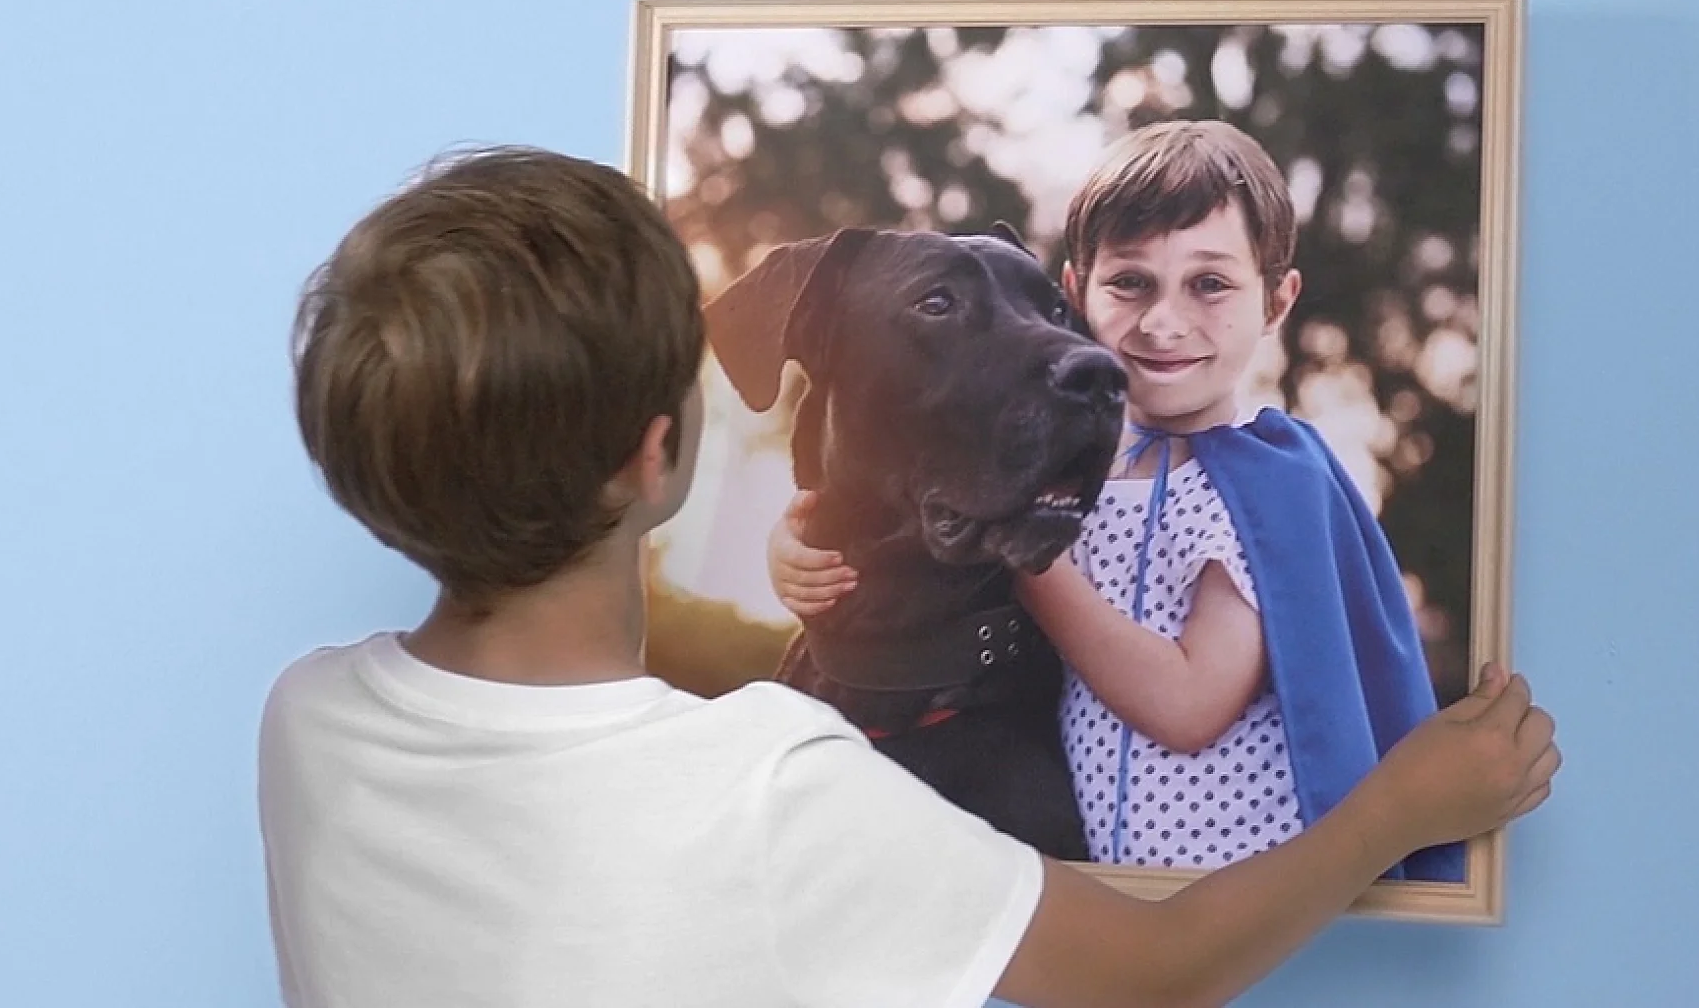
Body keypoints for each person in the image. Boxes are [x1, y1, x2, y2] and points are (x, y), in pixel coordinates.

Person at [259, 143, 1560, 1008]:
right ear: (658, 452)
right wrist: (1402, 808)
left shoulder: (310, 722)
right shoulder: (769, 783)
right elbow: (1158, 967)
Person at [767, 120, 1466, 882]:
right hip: (1099, 873)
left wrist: (1027, 555)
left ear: (1276, 301)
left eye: (1210, 285)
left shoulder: (1261, 490)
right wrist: (797, 544)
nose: (1164, 323)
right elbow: (921, 517)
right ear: (1075, 293)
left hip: (1228, 889)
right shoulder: (1087, 471)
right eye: (1130, 283)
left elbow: (1192, 703)